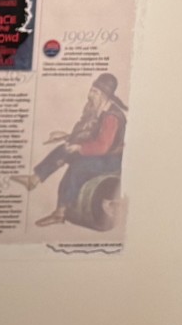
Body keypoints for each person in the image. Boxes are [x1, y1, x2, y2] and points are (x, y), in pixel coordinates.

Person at [15, 72, 126, 227]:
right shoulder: (95, 109)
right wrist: (67, 137)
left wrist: (79, 148)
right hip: (98, 152)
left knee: (78, 167)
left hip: (112, 160)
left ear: (104, 95)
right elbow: (86, 133)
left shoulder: (111, 117)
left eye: (94, 92)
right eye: (91, 90)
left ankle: (60, 213)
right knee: (65, 150)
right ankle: (33, 179)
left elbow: (102, 146)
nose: (90, 94)